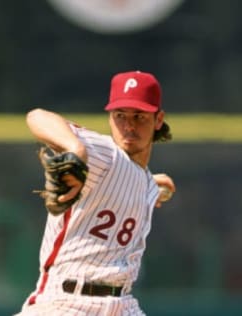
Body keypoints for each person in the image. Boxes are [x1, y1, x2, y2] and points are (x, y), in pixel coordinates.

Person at [15, 70, 176, 315]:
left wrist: (152, 185)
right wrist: (75, 148)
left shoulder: (143, 181)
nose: (128, 125)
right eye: (120, 115)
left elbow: (127, 181)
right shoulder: (105, 154)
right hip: (66, 304)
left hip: (122, 304)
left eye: (139, 116)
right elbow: (36, 117)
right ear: (110, 118)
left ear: (158, 119)